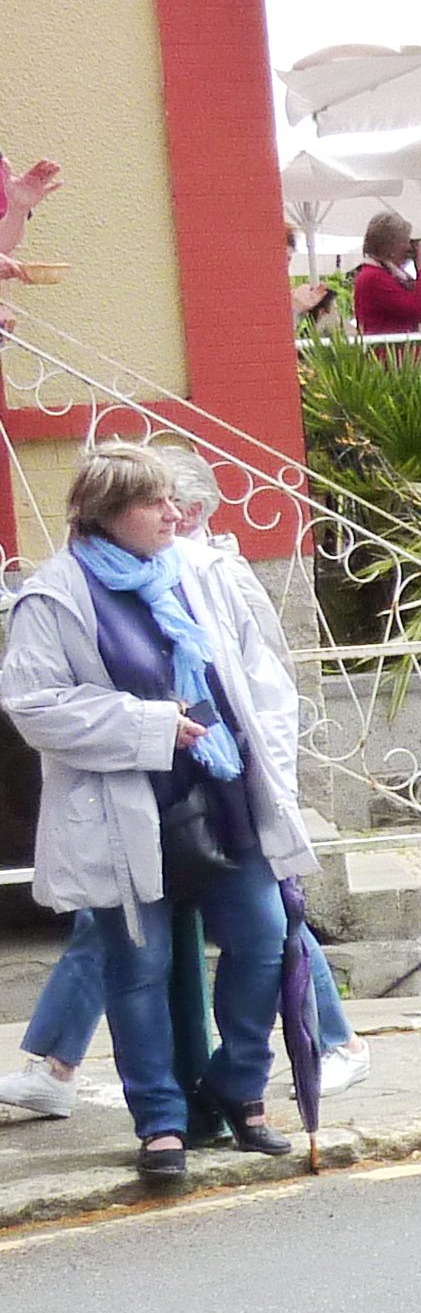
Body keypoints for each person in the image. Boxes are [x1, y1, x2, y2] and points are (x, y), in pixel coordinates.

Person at [0, 446, 315, 1179]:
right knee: (138, 967)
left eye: (174, 500)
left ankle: (237, 1089)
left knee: (264, 939)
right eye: (156, 503)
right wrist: (147, 725)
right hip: (128, 811)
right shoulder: (54, 596)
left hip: (226, 795)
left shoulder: (201, 573)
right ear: (107, 514)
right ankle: (162, 1126)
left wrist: (275, 770)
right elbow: (34, 707)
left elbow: (261, 679)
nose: (176, 514)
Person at [348, 210, 421, 336]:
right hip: (390, 352)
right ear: (392, 247)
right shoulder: (374, 278)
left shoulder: (387, 274)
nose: (409, 248)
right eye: (406, 241)